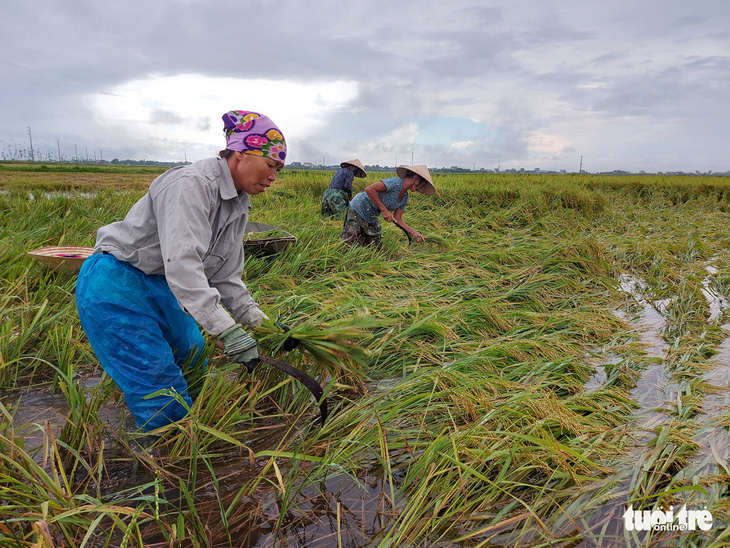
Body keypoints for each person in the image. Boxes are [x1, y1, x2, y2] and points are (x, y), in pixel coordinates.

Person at [75, 110, 286, 431]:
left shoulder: (238, 202)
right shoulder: (193, 184)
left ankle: (187, 433)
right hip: (118, 283)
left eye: (279, 170)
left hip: (163, 284)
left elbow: (227, 277)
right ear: (241, 153)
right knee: (159, 384)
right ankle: (165, 462)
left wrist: (263, 325)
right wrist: (225, 330)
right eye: (270, 165)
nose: (273, 177)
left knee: (191, 357)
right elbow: (183, 264)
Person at [341, 165, 435, 246]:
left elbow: (398, 219)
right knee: (351, 240)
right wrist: (384, 210)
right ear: (416, 178)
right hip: (358, 207)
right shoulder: (395, 183)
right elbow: (369, 189)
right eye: (422, 183)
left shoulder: (404, 198)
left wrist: (414, 233)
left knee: (375, 244)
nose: (421, 186)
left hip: (371, 215)